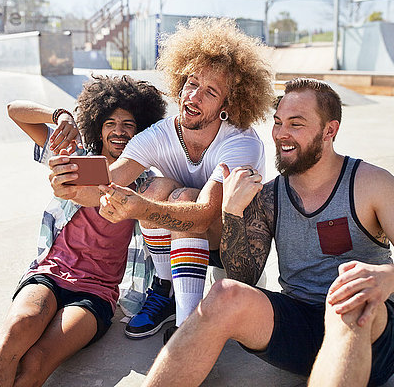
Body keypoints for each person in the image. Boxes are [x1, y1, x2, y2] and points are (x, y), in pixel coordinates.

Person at [142, 78, 394, 387]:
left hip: (371, 335)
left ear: (330, 131)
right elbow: (242, 277)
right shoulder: (270, 196)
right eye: (278, 123)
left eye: (296, 124)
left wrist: (385, 278)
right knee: (224, 294)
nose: (281, 134)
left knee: (347, 298)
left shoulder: (370, 184)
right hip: (301, 328)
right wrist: (232, 213)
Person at [48, 17, 276, 342]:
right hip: (179, 241)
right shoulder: (160, 134)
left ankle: (188, 330)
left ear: (229, 106)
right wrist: (70, 180)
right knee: (158, 188)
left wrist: (139, 208)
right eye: (191, 82)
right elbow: (112, 177)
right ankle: (167, 287)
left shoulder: (241, 142)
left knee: (181, 198)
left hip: (235, 242)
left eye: (210, 92)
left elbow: (207, 212)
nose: (193, 96)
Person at [0, 75, 166, 387]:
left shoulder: (147, 183)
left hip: (96, 293)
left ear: (141, 130)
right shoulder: (77, 158)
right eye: (110, 122)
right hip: (50, 273)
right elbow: (14, 110)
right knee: (18, 329)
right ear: (97, 127)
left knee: (37, 360)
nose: (119, 131)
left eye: (129, 124)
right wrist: (60, 115)